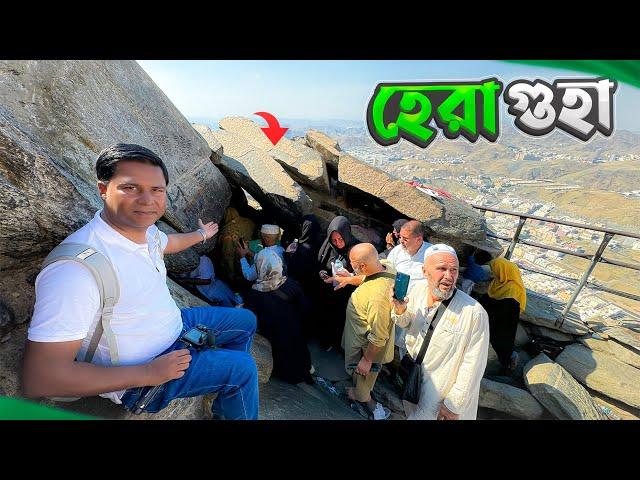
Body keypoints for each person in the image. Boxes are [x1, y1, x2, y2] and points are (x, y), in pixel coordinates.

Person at [22, 144, 259, 420]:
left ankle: (222, 394)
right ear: (103, 189)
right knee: (243, 369)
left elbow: (169, 242)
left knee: (246, 322)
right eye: (131, 188)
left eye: (157, 190)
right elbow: (41, 378)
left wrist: (201, 234)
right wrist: (148, 373)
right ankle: (228, 389)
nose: (148, 200)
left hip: (174, 327)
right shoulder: (76, 270)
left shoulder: (146, 233)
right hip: (143, 377)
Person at [391, 244, 489, 420]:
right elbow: (406, 323)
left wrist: (453, 405)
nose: (449, 276)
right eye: (442, 269)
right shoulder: (418, 290)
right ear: (424, 271)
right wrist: (400, 310)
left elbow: (473, 365)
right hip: (413, 378)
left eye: (454, 270)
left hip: (442, 395)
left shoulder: (474, 312)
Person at [244, 249, 313, 385]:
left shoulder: (255, 294)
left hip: (275, 337)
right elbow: (305, 309)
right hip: (295, 334)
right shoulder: (291, 284)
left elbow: (252, 320)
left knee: (283, 358)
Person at [342, 243, 395, 420]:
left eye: (353, 264)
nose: (351, 267)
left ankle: (363, 400)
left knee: (363, 378)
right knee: (363, 374)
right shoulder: (386, 266)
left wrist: (367, 359)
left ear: (363, 266)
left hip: (365, 348)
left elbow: (379, 336)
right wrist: (348, 279)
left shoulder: (377, 296)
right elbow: (367, 278)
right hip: (360, 338)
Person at [473, 251, 527, 373]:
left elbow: (501, 310)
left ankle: (507, 363)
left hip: (503, 323)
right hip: (498, 318)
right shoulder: (499, 283)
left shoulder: (512, 290)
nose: (493, 272)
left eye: (495, 269)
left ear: (503, 270)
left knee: (502, 340)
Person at [385, 220, 432, 358]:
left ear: (418, 239)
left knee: (410, 346)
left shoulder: (430, 254)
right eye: (400, 237)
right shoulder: (397, 252)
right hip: (396, 303)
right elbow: (388, 271)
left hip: (417, 309)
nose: (401, 241)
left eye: (405, 239)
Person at [316, 216, 361, 350]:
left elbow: (364, 275)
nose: (338, 243)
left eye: (341, 239)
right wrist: (322, 272)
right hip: (329, 292)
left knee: (340, 320)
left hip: (346, 296)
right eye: (334, 240)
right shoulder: (328, 247)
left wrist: (350, 277)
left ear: (347, 234)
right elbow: (321, 262)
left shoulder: (357, 250)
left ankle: (337, 344)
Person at [217, 207, 256, 289]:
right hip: (250, 254)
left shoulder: (227, 231)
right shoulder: (248, 222)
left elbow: (228, 254)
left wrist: (231, 273)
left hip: (237, 258)